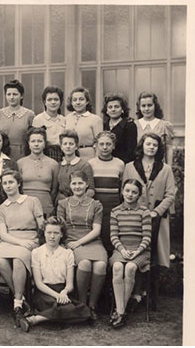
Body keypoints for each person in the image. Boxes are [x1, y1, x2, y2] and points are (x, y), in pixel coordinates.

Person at [122, 132, 176, 309]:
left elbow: (170, 194)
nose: (151, 147)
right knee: (136, 254)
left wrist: (157, 212)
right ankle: (135, 294)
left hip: (157, 220)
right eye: (148, 144)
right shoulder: (130, 166)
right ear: (142, 146)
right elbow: (125, 191)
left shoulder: (165, 168)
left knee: (154, 257)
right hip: (135, 219)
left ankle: (151, 295)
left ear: (158, 148)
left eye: (155, 145)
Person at [18, 217, 91, 331]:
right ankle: (58, 316)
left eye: (56, 233)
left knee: (85, 311)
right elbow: (39, 283)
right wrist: (57, 296)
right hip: (44, 293)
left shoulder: (68, 253)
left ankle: (36, 319)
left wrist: (64, 292)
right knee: (67, 308)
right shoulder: (37, 252)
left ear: (62, 235)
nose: (52, 236)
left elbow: (70, 284)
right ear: (44, 233)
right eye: (49, 232)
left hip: (62, 291)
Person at [0, 169, 44, 324]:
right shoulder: (1, 208)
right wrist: (20, 242)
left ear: (19, 183)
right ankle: (21, 300)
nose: (8, 186)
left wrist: (36, 243)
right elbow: (3, 234)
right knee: (0, 260)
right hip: (9, 241)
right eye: (5, 183)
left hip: (30, 238)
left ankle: (16, 304)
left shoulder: (32, 201)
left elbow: (41, 227)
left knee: (18, 259)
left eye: (11, 182)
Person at [57, 170, 107, 320]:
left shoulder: (96, 204)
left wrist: (79, 243)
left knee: (100, 265)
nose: (77, 186)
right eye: (74, 183)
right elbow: (61, 228)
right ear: (70, 185)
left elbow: (97, 230)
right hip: (70, 241)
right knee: (84, 263)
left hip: (92, 241)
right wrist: (72, 243)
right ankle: (82, 304)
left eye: (80, 183)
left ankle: (92, 305)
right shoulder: (63, 204)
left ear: (86, 185)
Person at [109, 179, 152, 328]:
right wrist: (122, 250)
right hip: (121, 249)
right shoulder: (115, 211)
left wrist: (137, 251)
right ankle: (122, 311)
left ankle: (119, 311)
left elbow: (147, 237)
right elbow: (114, 236)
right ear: (122, 191)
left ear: (139, 195)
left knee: (130, 268)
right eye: (127, 191)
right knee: (117, 268)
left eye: (134, 192)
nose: (130, 194)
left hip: (140, 250)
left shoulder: (144, 212)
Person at [88, 131, 125, 252]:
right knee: (97, 235)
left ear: (113, 146)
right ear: (96, 145)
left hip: (113, 206)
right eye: (101, 144)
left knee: (111, 235)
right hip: (96, 206)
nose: (104, 147)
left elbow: (121, 186)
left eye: (108, 144)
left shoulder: (119, 164)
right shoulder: (91, 163)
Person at [17, 127, 59, 218]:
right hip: (25, 207)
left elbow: (54, 189)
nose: (36, 144)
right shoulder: (20, 163)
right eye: (33, 141)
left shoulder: (53, 164)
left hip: (46, 206)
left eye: (39, 141)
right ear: (28, 144)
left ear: (44, 144)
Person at [0, 79, 35, 160]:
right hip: (4, 153)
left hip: (23, 153)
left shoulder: (29, 114)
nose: (11, 97)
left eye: (15, 94)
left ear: (21, 96)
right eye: (8, 94)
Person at [134, 92, 174, 166]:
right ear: (139, 107)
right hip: (138, 166)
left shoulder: (164, 125)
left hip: (159, 166)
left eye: (149, 105)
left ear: (155, 106)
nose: (146, 109)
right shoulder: (134, 125)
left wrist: (169, 168)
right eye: (143, 106)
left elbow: (169, 148)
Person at [64, 87, 103, 161]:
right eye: (74, 100)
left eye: (81, 99)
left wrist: (97, 161)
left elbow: (99, 143)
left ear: (87, 101)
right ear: (71, 103)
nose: (78, 102)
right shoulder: (67, 118)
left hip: (88, 156)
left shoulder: (95, 119)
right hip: (70, 156)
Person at [56, 129, 95, 201]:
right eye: (65, 144)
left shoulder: (84, 165)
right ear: (61, 147)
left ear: (76, 146)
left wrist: (76, 201)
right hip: (61, 203)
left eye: (71, 144)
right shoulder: (58, 166)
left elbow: (91, 190)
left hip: (78, 202)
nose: (68, 146)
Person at [32, 86, 66, 163]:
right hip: (45, 153)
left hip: (62, 154)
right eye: (49, 99)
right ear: (44, 102)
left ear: (60, 101)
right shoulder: (38, 119)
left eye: (56, 99)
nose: (53, 102)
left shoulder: (64, 120)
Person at [102, 92, 137, 164]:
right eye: (110, 107)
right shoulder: (104, 125)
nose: (113, 109)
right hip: (105, 162)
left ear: (122, 109)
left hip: (123, 163)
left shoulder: (129, 125)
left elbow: (131, 150)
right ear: (107, 110)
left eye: (116, 107)